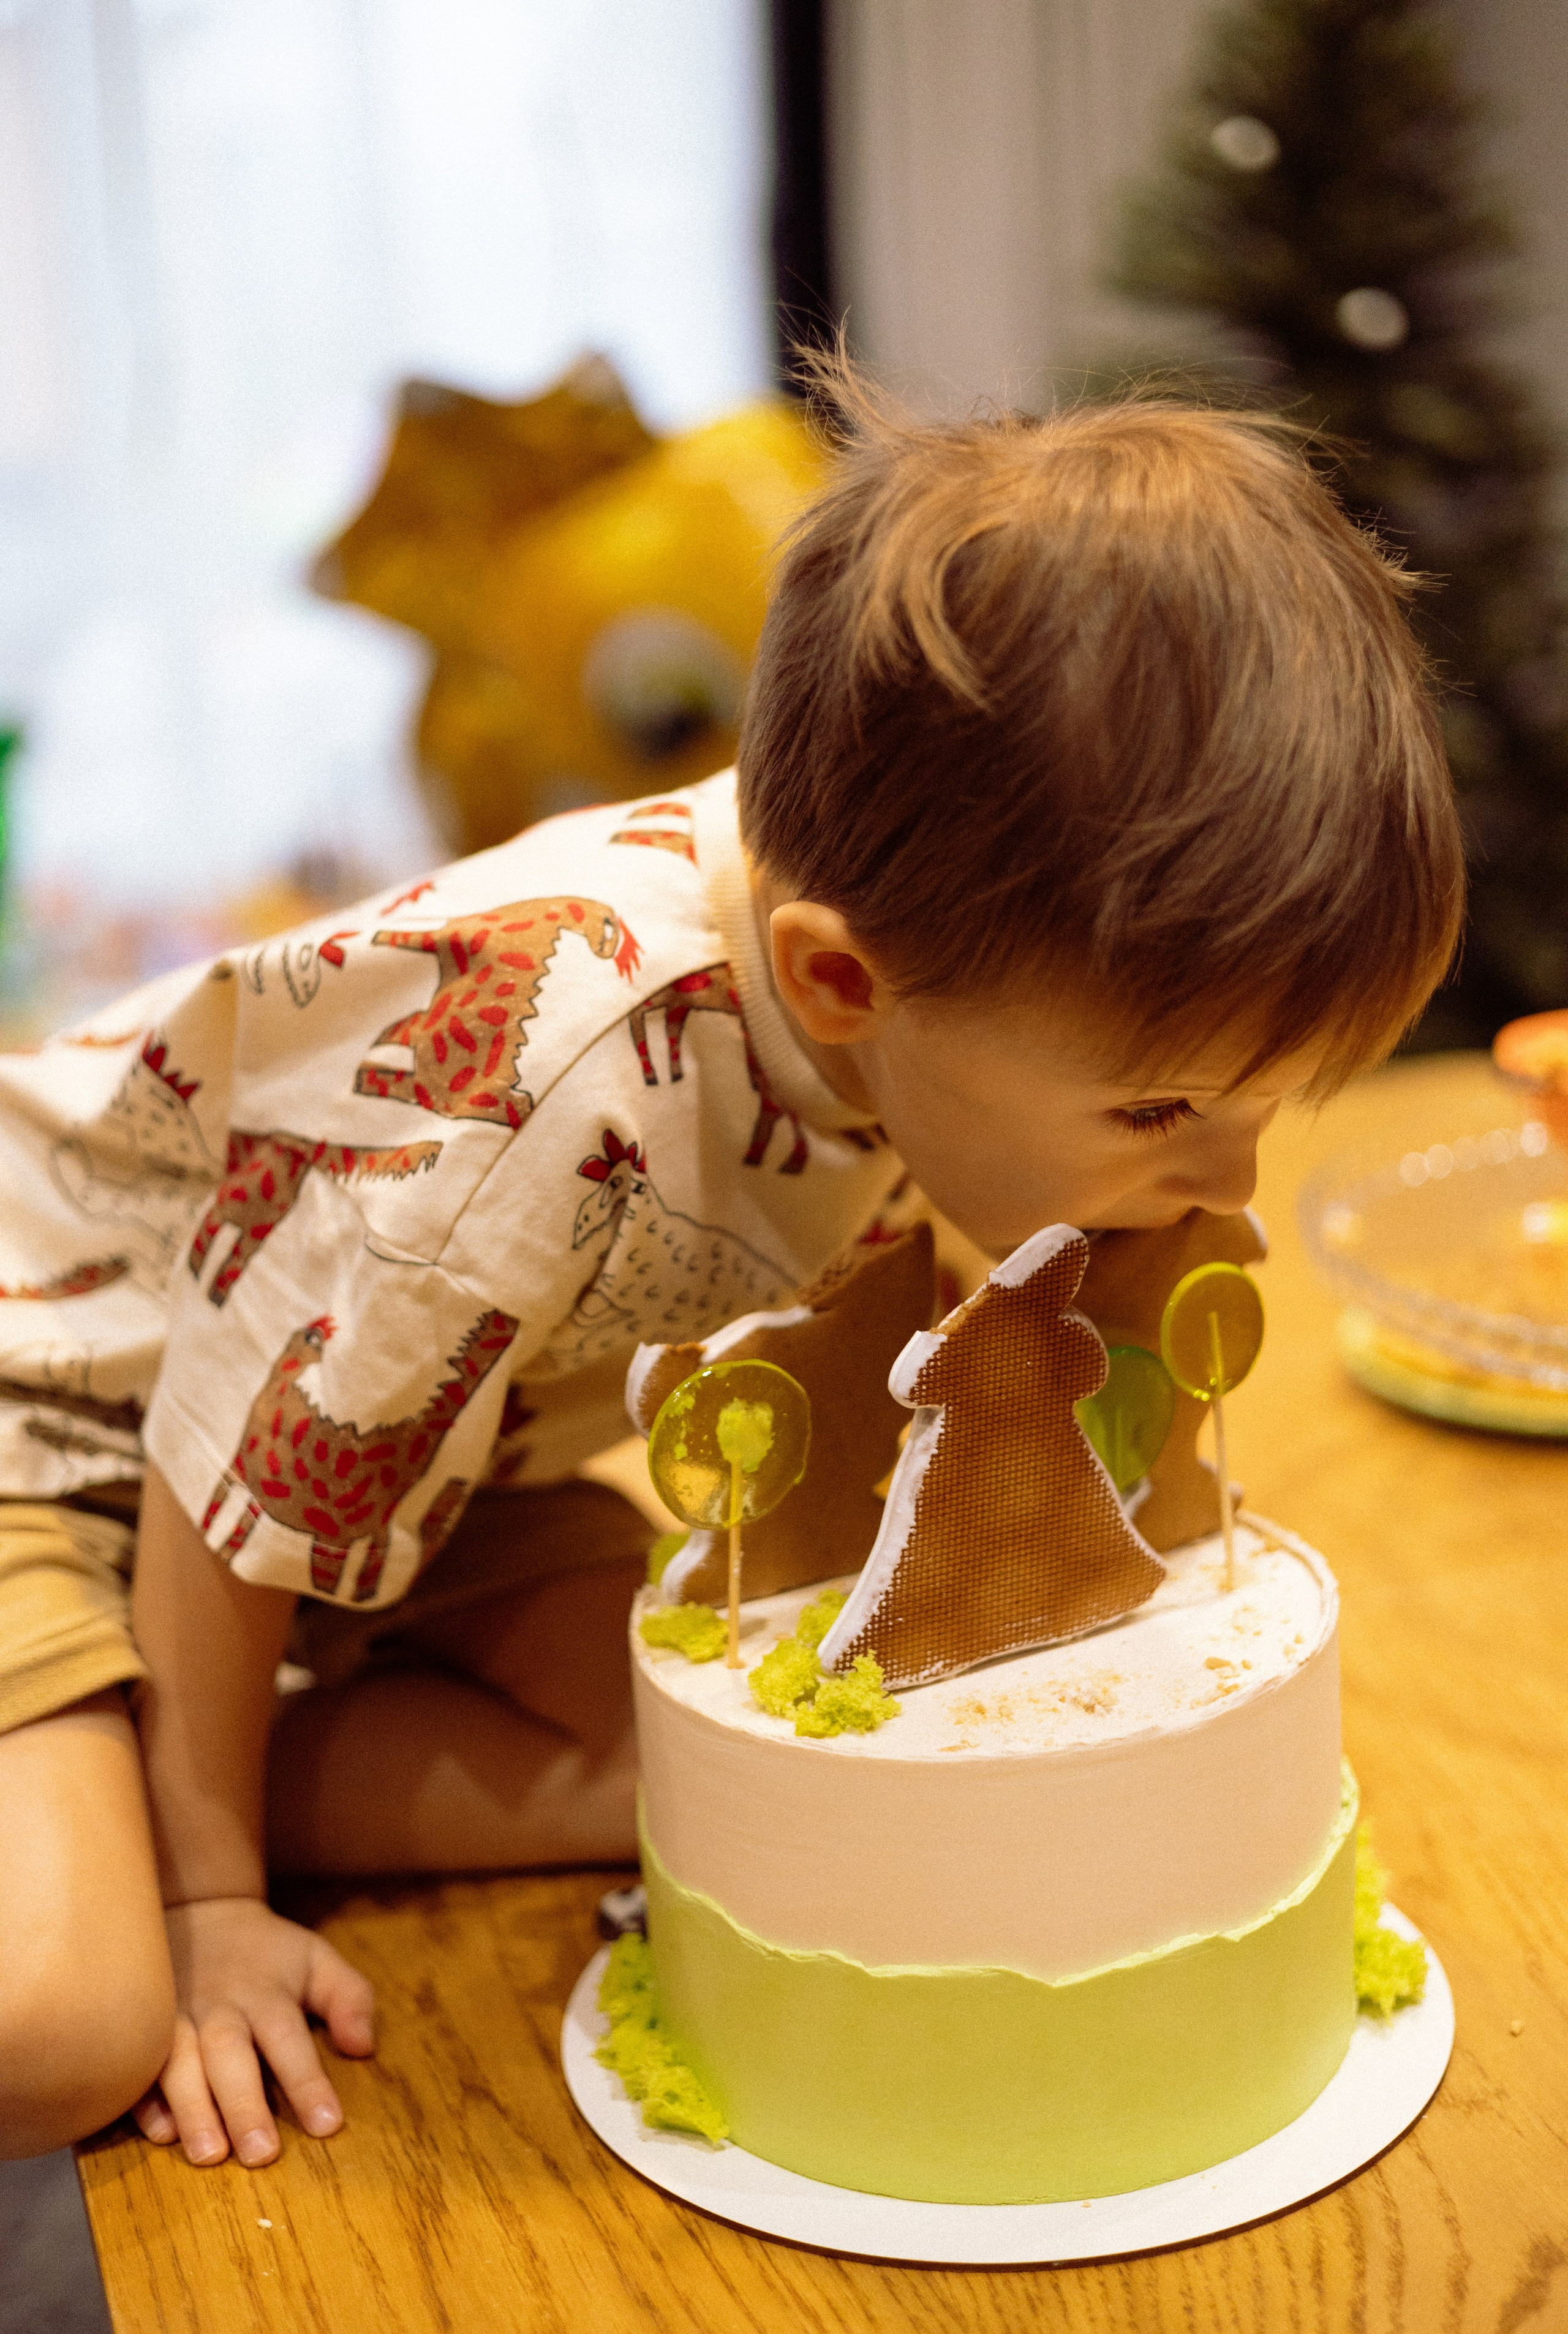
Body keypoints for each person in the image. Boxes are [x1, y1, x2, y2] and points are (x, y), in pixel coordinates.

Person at [0, 361, 1464, 2166]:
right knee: (71, 2021)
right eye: (1165, 1109)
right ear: (838, 981)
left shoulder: (923, 952)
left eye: (1267, 1110)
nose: (1224, 1177)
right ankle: (154, 1803)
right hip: (71, 1422)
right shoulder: (529, 1097)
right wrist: (208, 1906)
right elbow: (233, 1476)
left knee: (720, 1774)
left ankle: (134, 1755)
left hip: (408, 1456)